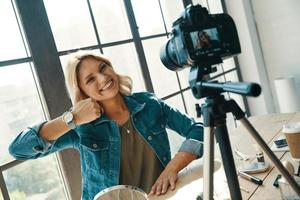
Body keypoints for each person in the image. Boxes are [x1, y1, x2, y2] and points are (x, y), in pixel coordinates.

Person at [9, 50, 204, 200]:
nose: (103, 78)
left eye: (103, 68)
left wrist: (172, 168)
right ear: (82, 91)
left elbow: (197, 129)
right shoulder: (80, 127)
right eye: (90, 79)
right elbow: (18, 149)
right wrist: (72, 118)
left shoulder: (149, 104)